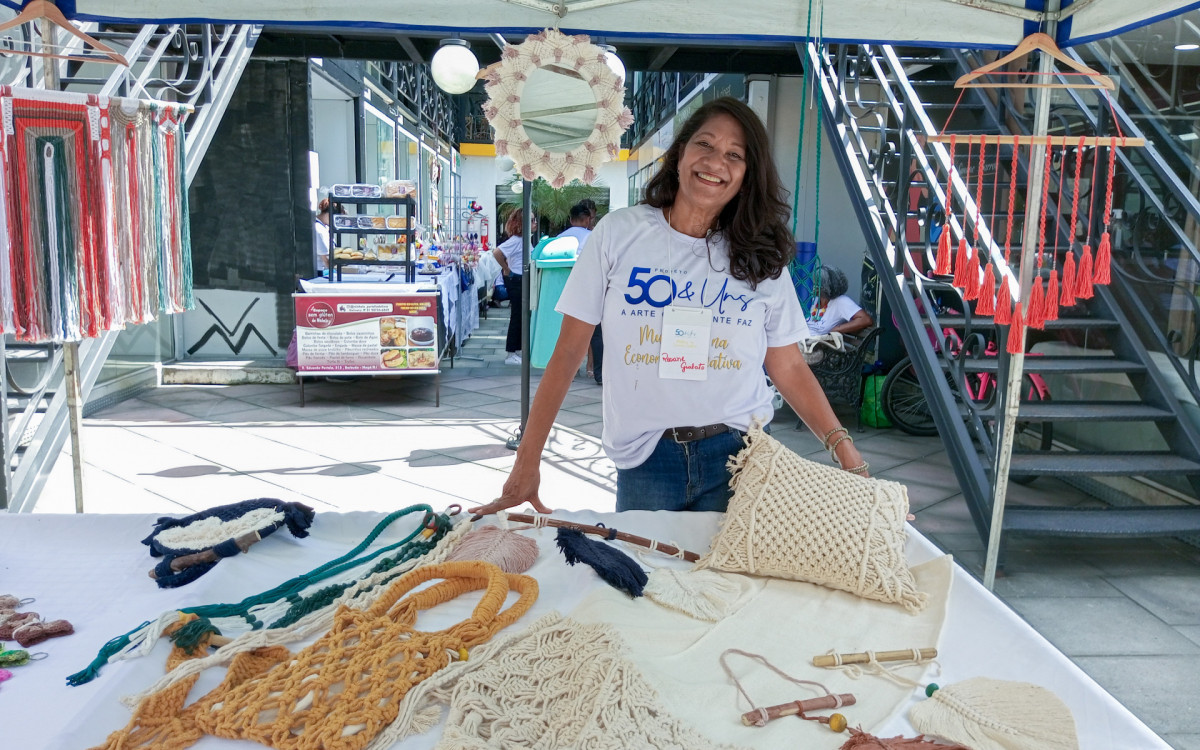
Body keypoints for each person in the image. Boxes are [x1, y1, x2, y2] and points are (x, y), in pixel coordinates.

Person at [471, 97, 867, 517]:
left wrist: (847, 453)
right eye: (705, 145)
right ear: (680, 155)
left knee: (727, 581)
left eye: (735, 155)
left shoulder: (761, 258)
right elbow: (568, 352)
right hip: (645, 458)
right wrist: (526, 463)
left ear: (748, 177)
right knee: (647, 577)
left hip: (739, 456)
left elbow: (787, 366)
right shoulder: (620, 234)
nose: (716, 162)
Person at [495, 208, 535, 365]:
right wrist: (506, 269)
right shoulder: (517, 240)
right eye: (531, 220)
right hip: (516, 280)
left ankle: (516, 350)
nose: (535, 223)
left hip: (520, 279)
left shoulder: (524, 240)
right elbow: (497, 252)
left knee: (521, 316)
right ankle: (511, 353)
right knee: (517, 316)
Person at [806, 266, 874, 336]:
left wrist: (836, 329)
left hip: (815, 345)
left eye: (815, 284)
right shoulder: (814, 299)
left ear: (825, 287)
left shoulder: (841, 301)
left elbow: (865, 319)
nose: (812, 286)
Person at [312, 197, 344, 274]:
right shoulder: (318, 229)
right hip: (320, 271)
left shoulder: (325, 227)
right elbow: (326, 259)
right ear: (329, 214)